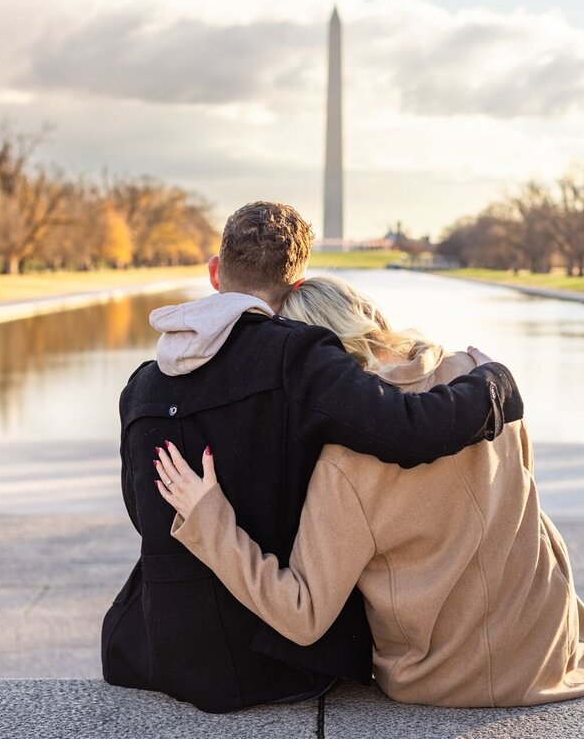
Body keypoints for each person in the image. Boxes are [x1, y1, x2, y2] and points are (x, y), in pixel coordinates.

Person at [154, 275, 584, 708]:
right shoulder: (480, 379)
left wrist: (209, 518)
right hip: (545, 644)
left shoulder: (346, 463)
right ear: (371, 317)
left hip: (441, 678)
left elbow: (303, 614)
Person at [101, 203, 524, 713]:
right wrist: (493, 383)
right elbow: (410, 432)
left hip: (157, 646)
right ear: (299, 283)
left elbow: (140, 508)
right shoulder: (300, 357)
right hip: (275, 659)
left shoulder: (142, 384)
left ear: (215, 272)